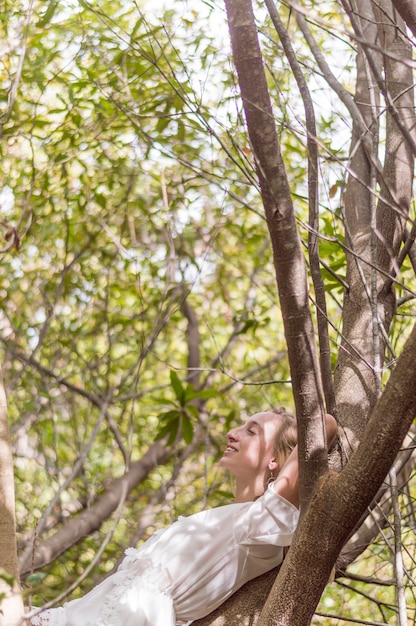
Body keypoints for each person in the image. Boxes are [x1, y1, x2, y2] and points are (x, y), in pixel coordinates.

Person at [28, 409, 336, 626]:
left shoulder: (261, 523)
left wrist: (293, 430)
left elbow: (326, 424)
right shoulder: (233, 517)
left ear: (273, 459)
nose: (232, 433)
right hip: (101, 613)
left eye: (251, 431)